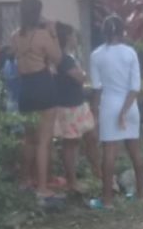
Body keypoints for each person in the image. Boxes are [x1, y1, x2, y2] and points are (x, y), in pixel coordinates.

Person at [11, 0, 62, 202]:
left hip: (25, 88)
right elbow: (58, 58)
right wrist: (54, 34)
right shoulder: (43, 36)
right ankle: (42, 187)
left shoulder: (15, 36)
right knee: (43, 141)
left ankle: (25, 180)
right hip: (43, 86)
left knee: (28, 139)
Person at [90, 15, 143, 209]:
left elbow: (97, 88)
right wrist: (124, 111)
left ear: (104, 32)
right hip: (130, 106)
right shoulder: (130, 53)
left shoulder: (96, 55)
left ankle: (107, 201)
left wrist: (95, 113)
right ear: (122, 31)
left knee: (109, 152)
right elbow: (135, 88)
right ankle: (140, 194)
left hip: (109, 106)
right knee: (135, 151)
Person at [53, 23, 101, 193]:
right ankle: (72, 181)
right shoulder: (64, 59)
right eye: (73, 35)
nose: (75, 39)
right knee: (71, 143)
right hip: (70, 106)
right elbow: (80, 78)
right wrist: (84, 74)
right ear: (67, 38)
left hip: (77, 104)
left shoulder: (67, 57)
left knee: (90, 137)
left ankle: (97, 171)